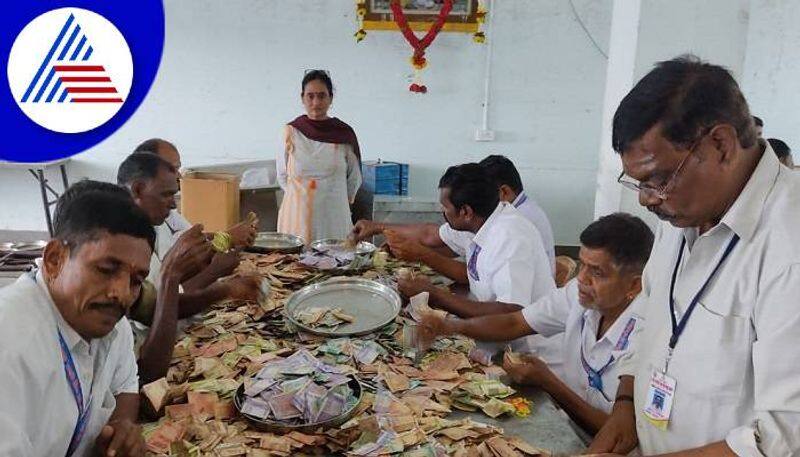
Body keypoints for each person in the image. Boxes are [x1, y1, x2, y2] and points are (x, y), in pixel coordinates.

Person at [590, 55, 800, 456]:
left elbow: (783, 439)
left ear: (720, 145)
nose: (649, 200)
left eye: (658, 179)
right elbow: (651, 314)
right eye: (640, 184)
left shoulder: (788, 248)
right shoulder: (686, 211)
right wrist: (626, 405)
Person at [416, 213, 653, 435]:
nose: (581, 279)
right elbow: (515, 321)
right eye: (582, 265)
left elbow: (618, 433)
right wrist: (451, 327)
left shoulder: (647, 336)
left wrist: (548, 383)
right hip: (569, 423)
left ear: (634, 286)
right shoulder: (579, 297)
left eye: (597, 273)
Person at [0, 180, 152, 456]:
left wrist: (121, 428)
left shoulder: (107, 320)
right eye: (106, 269)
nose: (122, 293)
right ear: (55, 259)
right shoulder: (10, 344)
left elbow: (126, 386)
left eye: (136, 280)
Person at [117, 153, 262, 370]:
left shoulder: (149, 228)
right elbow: (149, 369)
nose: (173, 205)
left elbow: (161, 304)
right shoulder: (122, 247)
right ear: (138, 189)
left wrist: (227, 289)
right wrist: (175, 276)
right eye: (166, 194)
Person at [398, 163, 555, 354]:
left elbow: (510, 312)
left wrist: (436, 295)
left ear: (465, 211)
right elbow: (430, 235)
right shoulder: (480, 221)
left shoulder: (510, 236)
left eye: (445, 207)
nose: (443, 213)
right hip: (494, 338)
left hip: (531, 354)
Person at [351, 154, 556, 281]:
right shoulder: (488, 218)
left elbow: (506, 311)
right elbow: (433, 235)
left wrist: (422, 254)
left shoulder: (514, 228)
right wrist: (380, 228)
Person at [276, 70, 363, 242]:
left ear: (331, 98)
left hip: (333, 218)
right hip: (297, 219)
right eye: (310, 96)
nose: (316, 102)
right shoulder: (291, 132)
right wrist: (302, 197)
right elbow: (282, 175)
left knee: (335, 262)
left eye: (322, 96)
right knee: (294, 267)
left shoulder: (343, 134)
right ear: (302, 98)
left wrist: (330, 198)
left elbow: (354, 179)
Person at [132, 138, 258, 250]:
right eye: (173, 169)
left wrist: (232, 235)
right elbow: (180, 262)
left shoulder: (169, 214)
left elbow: (195, 240)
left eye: (178, 169)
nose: (179, 176)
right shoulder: (132, 228)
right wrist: (227, 238)